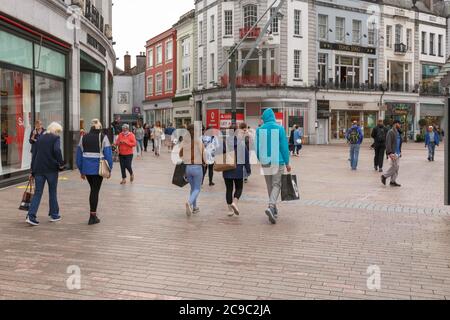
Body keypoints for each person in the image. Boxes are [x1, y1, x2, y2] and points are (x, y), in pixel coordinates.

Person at [256, 108, 292, 225]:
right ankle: (271, 206)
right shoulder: (280, 129)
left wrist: (260, 158)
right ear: (273, 117)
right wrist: (287, 162)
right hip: (278, 160)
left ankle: (273, 208)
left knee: (269, 185)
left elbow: (257, 147)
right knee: (277, 184)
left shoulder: (259, 130)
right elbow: (284, 148)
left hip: (265, 161)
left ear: (264, 118)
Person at [26, 122, 65, 226]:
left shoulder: (40, 138)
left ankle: (31, 216)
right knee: (52, 191)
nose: (58, 134)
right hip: (51, 169)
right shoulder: (55, 138)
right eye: (58, 132)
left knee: (38, 192)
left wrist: (32, 170)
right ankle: (54, 214)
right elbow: (57, 150)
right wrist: (61, 163)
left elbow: (34, 154)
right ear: (55, 130)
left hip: (38, 169)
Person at [76, 119, 113, 225]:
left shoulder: (83, 137)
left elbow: (78, 156)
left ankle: (93, 215)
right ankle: (92, 216)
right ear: (100, 128)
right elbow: (108, 155)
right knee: (95, 191)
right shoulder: (103, 137)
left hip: (87, 169)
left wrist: (81, 170)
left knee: (93, 189)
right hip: (98, 169)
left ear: (91, 128)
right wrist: (109, 169)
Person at [223, 124, 251, 217]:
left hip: (227, 169)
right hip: (238, 169)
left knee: (229, 189)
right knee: (239, 188)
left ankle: (229, 210)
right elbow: (246, 157)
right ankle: (235, 202)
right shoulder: (241, 143)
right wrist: (248, 169)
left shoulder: (225, 142)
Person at [179, 124, 206, 217]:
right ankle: (189, 203)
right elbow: (203, 153)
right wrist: (205, 162)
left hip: (188, 168)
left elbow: (180, 154)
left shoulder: (185, 141)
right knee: (197, 188)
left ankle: (194, 207)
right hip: (197, 167)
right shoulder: (198, 141)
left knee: (193, 188)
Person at [381, 120, 402, 187]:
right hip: (393, 152)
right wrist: (389, 152)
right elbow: (388, 143)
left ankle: (392, 181)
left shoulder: (398, 132)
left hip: (397, 152)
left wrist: (400, 151)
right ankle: (384, 176)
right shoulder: (391, 132)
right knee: (395, 167)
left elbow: (399, 143)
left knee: (397, 167)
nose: (400, 125)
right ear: (395, 124)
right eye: (399, 124)